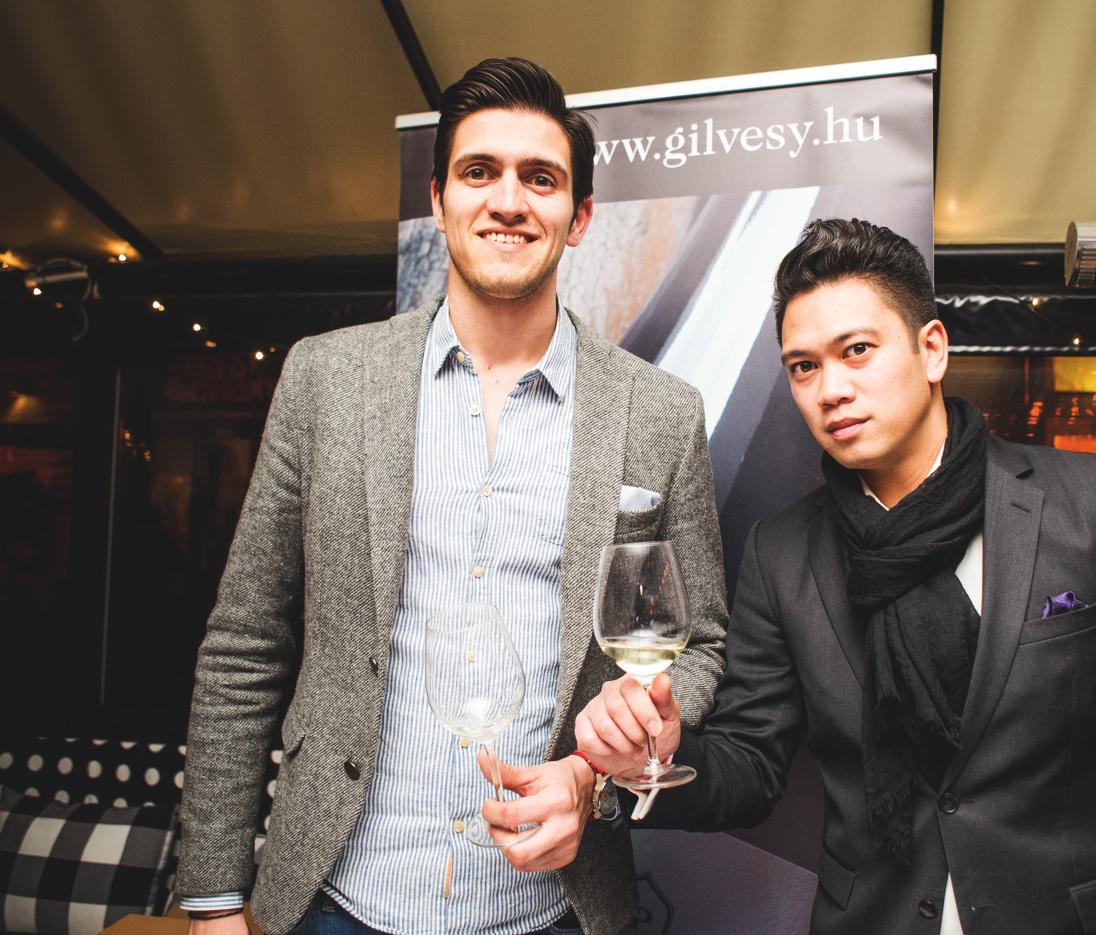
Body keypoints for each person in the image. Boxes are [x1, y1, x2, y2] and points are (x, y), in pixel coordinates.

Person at [576, 218, 1096, 934]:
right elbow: (750, 767)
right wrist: (652, 756)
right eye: (804, 367)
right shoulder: (783, 552)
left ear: (933, 349)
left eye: (857, 350)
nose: (831, 389)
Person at [176, 58, 727, 935]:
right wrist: (211, 899)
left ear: (580, 215)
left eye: (540, 178)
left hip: (551, 908)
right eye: (479, 172)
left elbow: (698, 647)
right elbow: (246, 643)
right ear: (438, 201)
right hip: (333, 899)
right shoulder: (327, 379)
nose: (509, 201)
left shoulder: (661, 412)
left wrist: (596, 773)